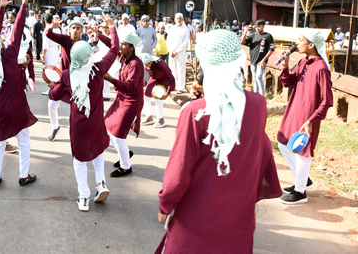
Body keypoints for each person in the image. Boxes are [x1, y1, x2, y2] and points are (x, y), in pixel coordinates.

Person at [155, 29, 282, 253]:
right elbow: (258, 154)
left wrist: (166, 204)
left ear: (206, 66)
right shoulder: (258, 104)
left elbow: (180, 169)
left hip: (197, 217)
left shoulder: (195, 112)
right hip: (238, 215)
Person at [48, 14, 120, 211]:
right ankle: (101, 183)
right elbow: (115, 49)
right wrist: (112, 28)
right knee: (97, 150)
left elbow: (54, 96)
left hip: (78, 125)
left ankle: (84, 197)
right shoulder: (98, 69)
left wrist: (53, 85)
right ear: (90, 55)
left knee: (79, 160)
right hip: (96, 122)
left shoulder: (66, 76)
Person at [0, 0, 38, 189]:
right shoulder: (10, 54)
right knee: (24, 141)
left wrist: (1, 9)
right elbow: (18, 26)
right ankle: (23, 176)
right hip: (16, 106)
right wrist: (24, 3)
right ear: (2, 46)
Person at [277, 30, 333, 204]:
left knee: (302, 151)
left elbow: (327, 100)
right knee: (283, 143)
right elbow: (288, 83)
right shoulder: (303, 62)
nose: (297, 43)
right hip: (294, 110)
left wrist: (311, 120)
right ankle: (304, 179)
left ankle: (300, 192)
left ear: (311, 45)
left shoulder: (322, 68)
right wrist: (285, 67)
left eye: (300, 40)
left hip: (308, 116)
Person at [104, 31, 144, 177]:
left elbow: (131, 87)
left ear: (132, 47)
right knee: (108, 126)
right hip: (121, 99)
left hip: (132, 102)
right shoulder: (124, 57)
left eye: (124, 44)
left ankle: (126, 167)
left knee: (118, 135)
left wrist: (111, 80)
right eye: (121, 43)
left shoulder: (136, 64)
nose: (121, 47)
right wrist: (101, 33)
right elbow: (112, 45)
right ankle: (125, 154)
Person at [44, 16, 85, 141]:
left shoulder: (84, 45)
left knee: (78, 110)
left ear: (81, 31)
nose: (75, 30)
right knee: (52, 104)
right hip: (63, 81)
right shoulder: (64, 39)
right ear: (69, 30)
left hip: (78, 83)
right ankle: (55, 127)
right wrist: (52, 26)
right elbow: (47, 33)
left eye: (78, 28)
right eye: (73, 28)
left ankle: (80, 134)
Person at [140, 53, 175, 129]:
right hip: (154, 78)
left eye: (146, 65)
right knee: (146, 96)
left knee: (158, 97)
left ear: (151, 62)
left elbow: (171, 78)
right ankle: (149, 118)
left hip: (163, 79)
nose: (145, 67)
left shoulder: (160, 64)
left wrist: (168, 93)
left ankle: (161, 120)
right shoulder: (146, 64)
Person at [241, 19, 275, 96]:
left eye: (259, 26)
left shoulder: (268, 36)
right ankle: (256, 94)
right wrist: (245, 31)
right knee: (255, 78)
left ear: (263, 26)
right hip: (253, 61)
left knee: (258, 77)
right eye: (256, 27)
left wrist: (264, 60)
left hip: (262, 61)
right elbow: (243, 42)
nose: (257, 28)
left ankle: (262, 96)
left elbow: (271, 50)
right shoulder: (253, 36)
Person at [166, 13, 190, 93]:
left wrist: (176, 52)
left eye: (180, 18)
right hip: (172, 52)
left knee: (181, 70)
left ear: (183, 19)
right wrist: (170, 51)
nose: (178, 20)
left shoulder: (186, 29)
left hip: (180, 52)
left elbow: (185, 42)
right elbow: (168, 40)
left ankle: (180, 88)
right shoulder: (172, 28)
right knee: (172, 70)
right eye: (177, 18)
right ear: (175, 19)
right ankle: (173, 86)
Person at [136, 15, 158, 83]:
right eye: (144, 21)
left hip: (149, 50)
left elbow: (155, 39)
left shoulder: (152, 30)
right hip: (140, 50)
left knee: (148, 64)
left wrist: (152, 47)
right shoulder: (138, 30)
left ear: (149, 21)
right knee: (140, 65)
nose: (145, 22)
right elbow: (135, 40)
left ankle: (148, 81)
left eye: (147, 20)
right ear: (141, 22)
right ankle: (141, 80)